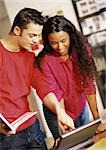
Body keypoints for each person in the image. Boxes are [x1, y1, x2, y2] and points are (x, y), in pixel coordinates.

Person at [0, 8, 76, 150]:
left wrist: (60, 111)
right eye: (32, 35)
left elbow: (43, 88)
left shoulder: (29, 57)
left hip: (32, 128)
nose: (36, 41)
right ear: (17, 30)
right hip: (7, 137)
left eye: (38, 35)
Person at [36, 15, 105, 145]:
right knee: (68, 146)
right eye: (54, 43)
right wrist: (62, 117)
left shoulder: (82, 50)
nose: (60, 47)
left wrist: (97, 121)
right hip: (57, 112)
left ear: (70, 36)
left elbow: (89, 85)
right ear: (47, 42)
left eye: (63, 40)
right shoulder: (45, 61)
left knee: (88, 143)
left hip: (80, 107)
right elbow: (56, 94)